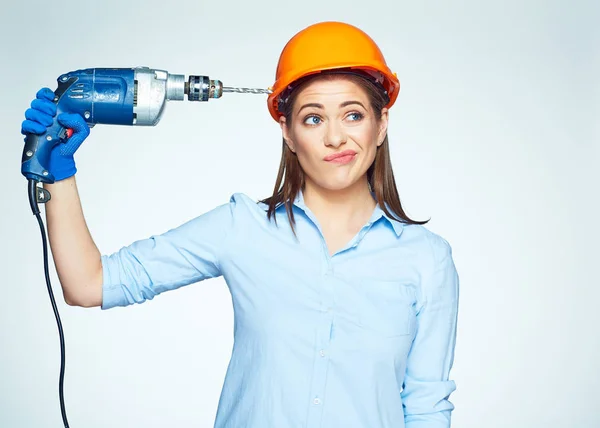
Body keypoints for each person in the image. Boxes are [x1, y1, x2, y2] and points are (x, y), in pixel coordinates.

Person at [21, 21, 459, 428]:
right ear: (287, 132)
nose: (335, 137)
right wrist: (59, 169)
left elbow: (425, 406)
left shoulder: (426, 258)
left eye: (353, 115)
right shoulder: (242, 228)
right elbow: (89, 283)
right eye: (313, 118)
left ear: (381, 125)